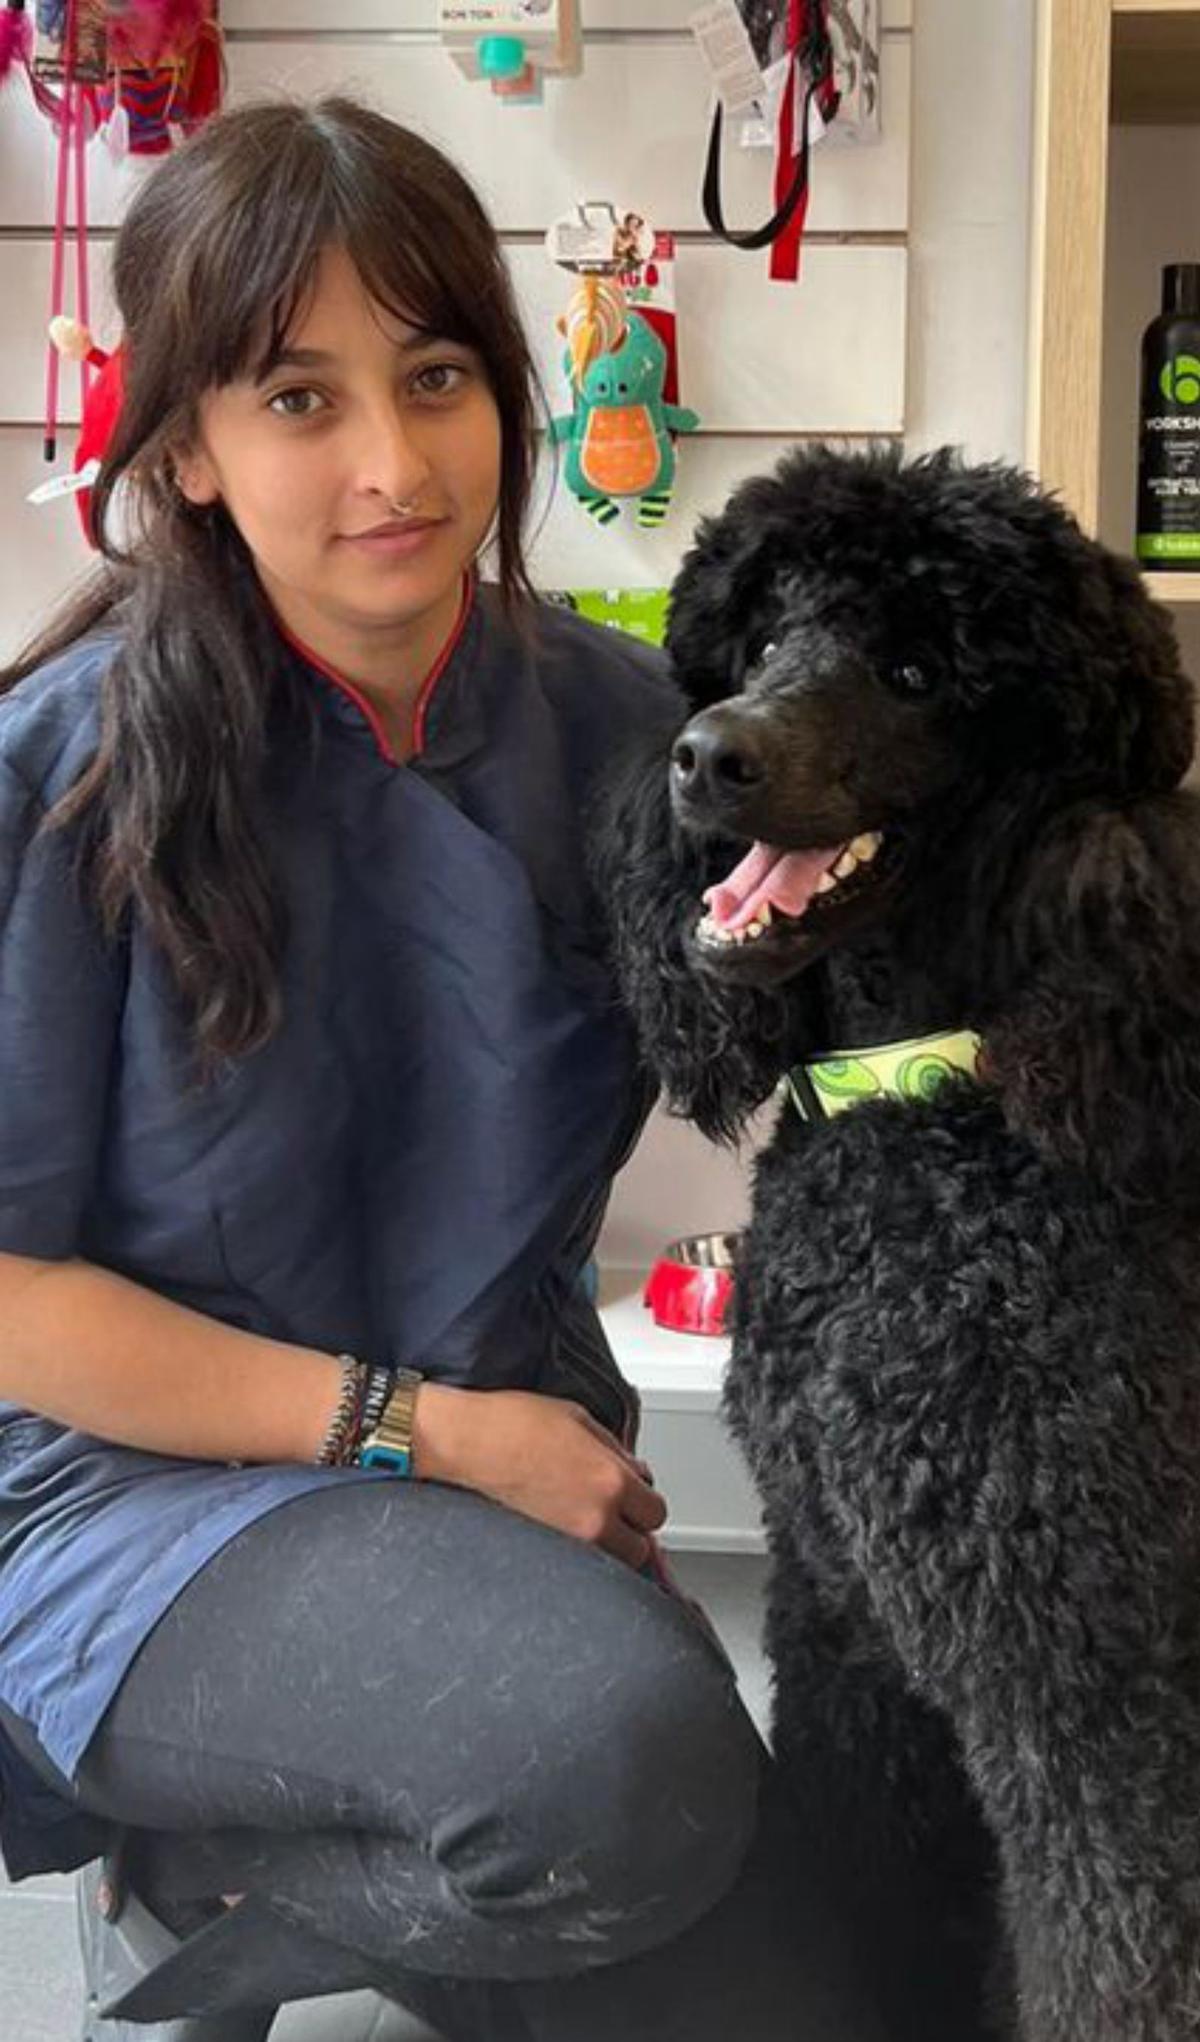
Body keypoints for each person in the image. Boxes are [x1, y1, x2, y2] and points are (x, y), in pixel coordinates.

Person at [0, 98, 891, 2042]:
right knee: (617, 1766)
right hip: (128, 1510)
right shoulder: (59, 772)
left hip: (496, 1499)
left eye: (433, 378)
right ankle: (194, 1882)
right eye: (300, 400)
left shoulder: (613, 720)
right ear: (190, 451)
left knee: (820, 1975)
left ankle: (335, 1856)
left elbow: (839, 1025)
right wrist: (439, 1432)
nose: (395, 466)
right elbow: (7, 1306)